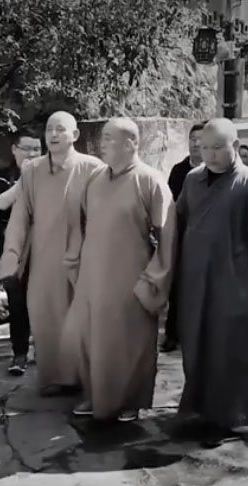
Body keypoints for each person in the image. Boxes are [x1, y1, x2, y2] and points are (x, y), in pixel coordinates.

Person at [175, 118, 248, 447]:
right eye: (204, 148)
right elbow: (177, 224)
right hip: (195, 280)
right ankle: (201, 408)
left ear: (235, 146)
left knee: (233, 349)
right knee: (197, 344)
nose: (208, 155)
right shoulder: (193, 180)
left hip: (234, 282)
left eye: (217, 148)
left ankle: (238, 414)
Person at [61, 118, 177, 423]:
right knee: (92, 338)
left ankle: (130, 401)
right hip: (93, 276)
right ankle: (96, 395)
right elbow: (81, 225)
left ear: (131, 143)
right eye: (103, 137)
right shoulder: (95, 180)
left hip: (130, 277)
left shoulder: (150, 180)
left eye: (110, 138)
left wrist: (153, 280)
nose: (102, 143)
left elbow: (168, 236)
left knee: (130, 342)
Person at [0, 111, 104, 397]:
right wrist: (11, 257)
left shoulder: (92, 168)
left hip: (80, 258)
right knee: (43, 315)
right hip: (43, 257)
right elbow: (19, 217)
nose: (53, 135)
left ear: (75, 135)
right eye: (49, 130)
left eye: (60, 129)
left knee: (79, 318)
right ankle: (56, 377)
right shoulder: (32, 170)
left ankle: (84, 376)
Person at [0, 128, 42, 376]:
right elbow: (2, 202)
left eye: (37, 149)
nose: (32, 154)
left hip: (42, 248)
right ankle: (19, 354)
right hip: (13, 251)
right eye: (27, 149)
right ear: (14, 150)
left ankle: (45, 351)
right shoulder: (1, 177)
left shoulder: (48, 175)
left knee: (44, 302)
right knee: (17, 303)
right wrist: (26, 178)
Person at [161, 122, 205, 353]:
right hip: (182, 234)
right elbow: (171, 204)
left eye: (200, 139)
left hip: (206, 237)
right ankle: (172, 334)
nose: (195, 144)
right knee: (176, 286)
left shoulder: (214, 170)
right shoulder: (179, 170)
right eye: (192, 139)